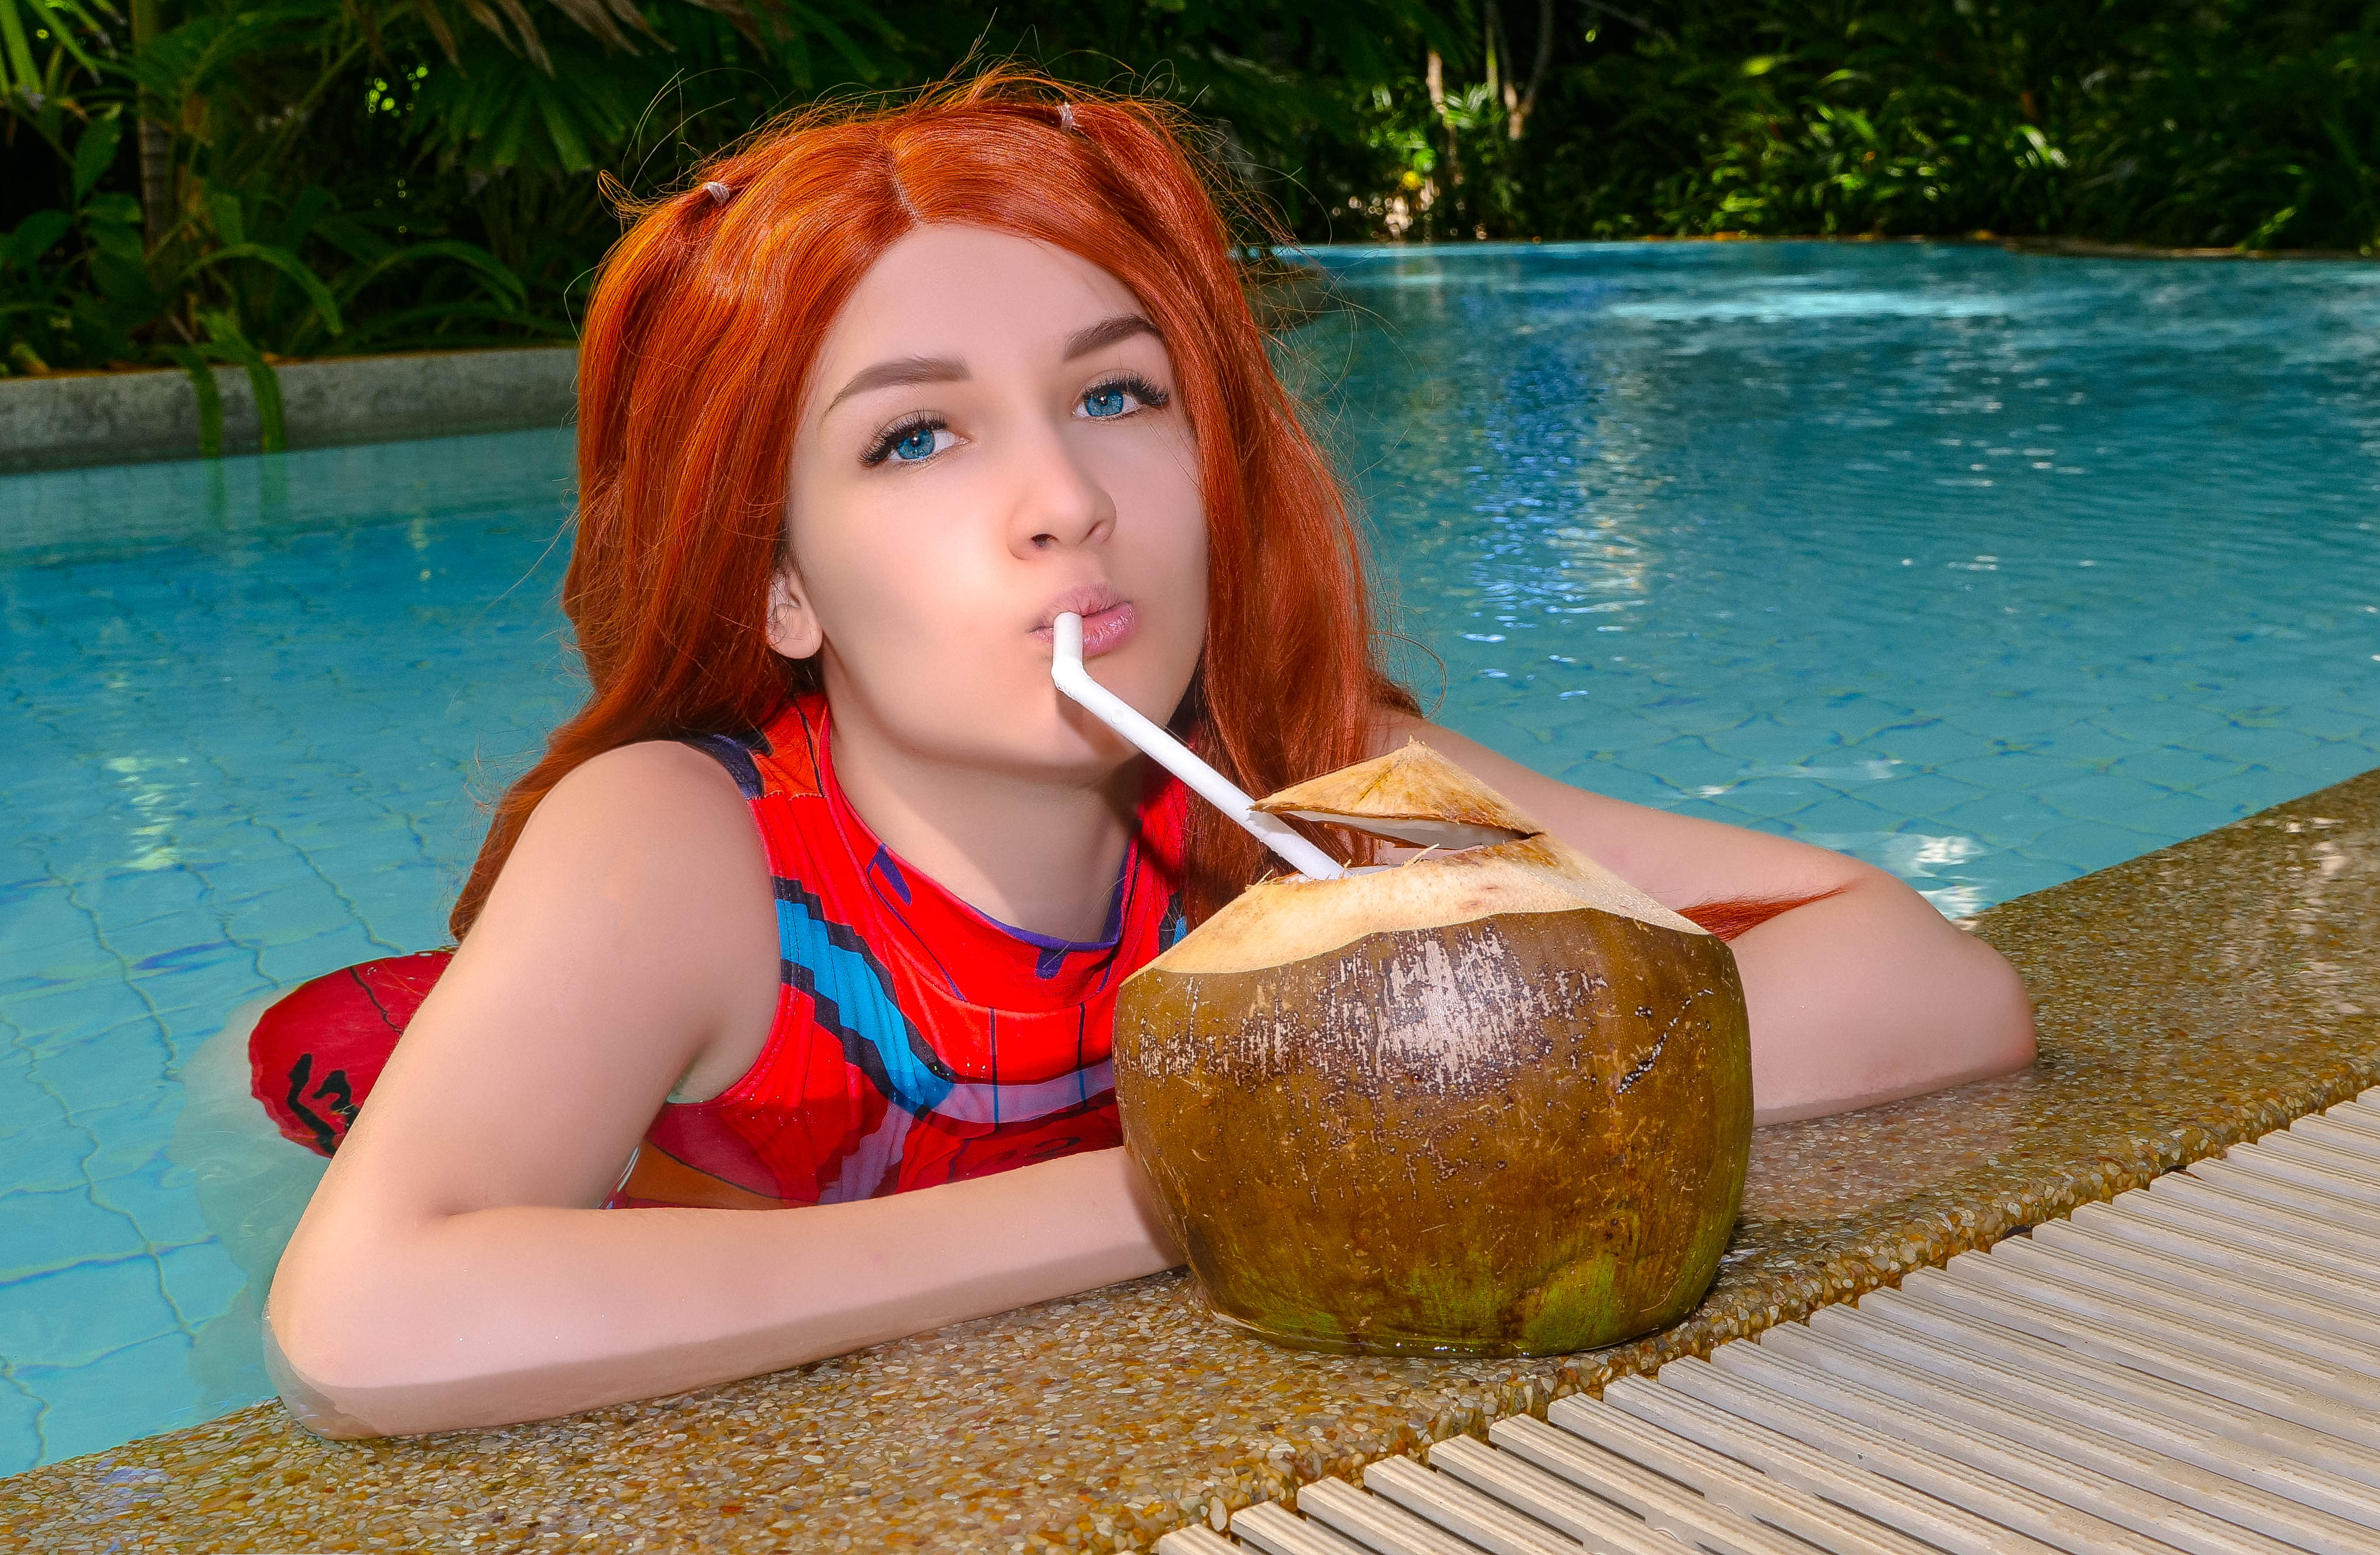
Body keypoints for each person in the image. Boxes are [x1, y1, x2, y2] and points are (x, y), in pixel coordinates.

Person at [258, 73, 2035, 1439]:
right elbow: (369, 1327)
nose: (1064, 500)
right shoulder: (678, 847)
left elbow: (1923, 980)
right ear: (778, 580)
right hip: (418, 1062)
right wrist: (1205, 1188)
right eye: (916, 438)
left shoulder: (1307, 782)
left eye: (1117, 395)